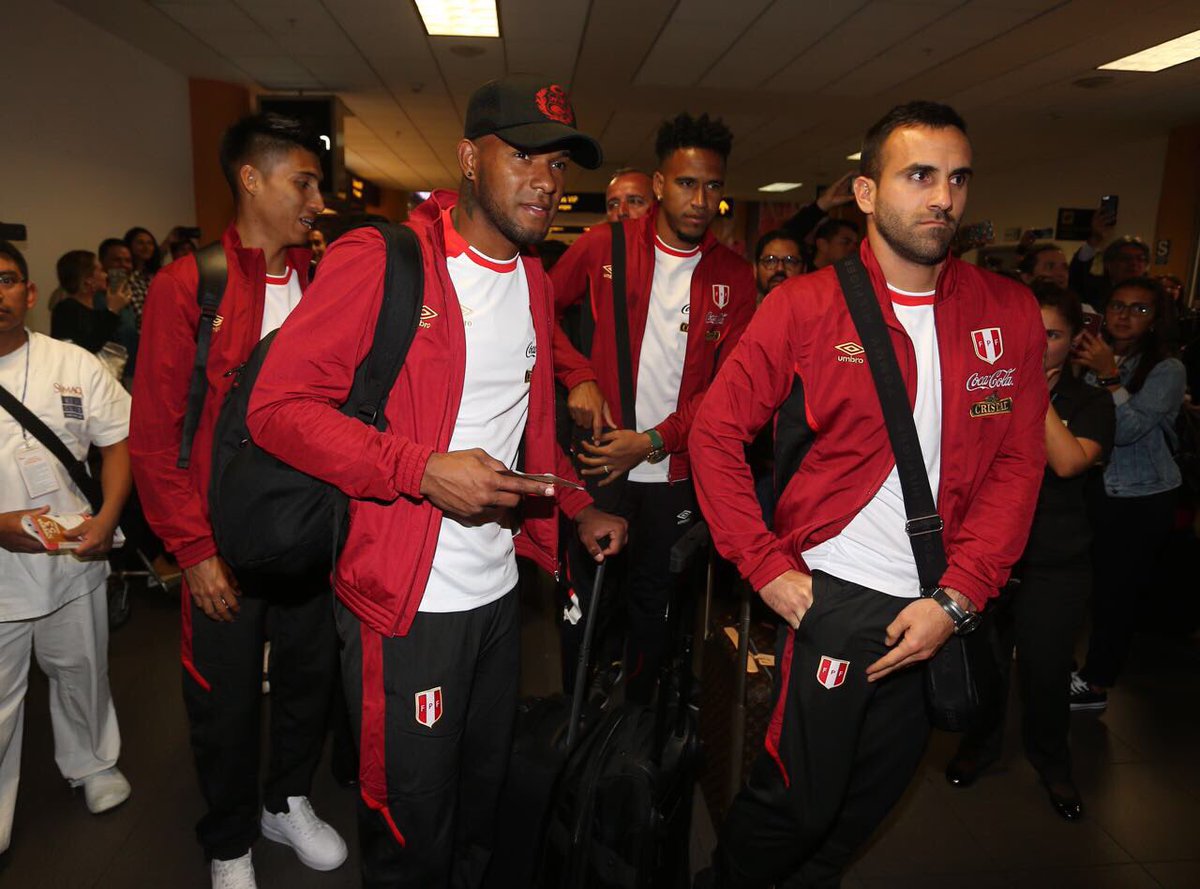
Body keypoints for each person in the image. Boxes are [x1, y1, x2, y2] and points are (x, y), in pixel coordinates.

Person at [245, 76, 627, 888]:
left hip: (497, 598)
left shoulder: (530, 276)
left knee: (480, 796)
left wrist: (575, 503)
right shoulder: (384, 262)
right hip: (404, 603)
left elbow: (524, 420)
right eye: (523, 155)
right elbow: (275, 408)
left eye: (559, 165)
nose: (546, 181)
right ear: (468, 157)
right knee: (411, 815)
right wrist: (417, 469)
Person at [689, 101, 1048, 888]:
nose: (943, 198)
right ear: (864, 191)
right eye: (919, 175)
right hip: (835, 597)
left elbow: (1018, 467)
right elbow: (712, 434)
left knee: (871, 797)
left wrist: (958, 600)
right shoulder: (805, 305)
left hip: (936, 603)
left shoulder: (1007, 312)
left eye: (957, 178)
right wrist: (765, 569)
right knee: (797, 803)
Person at [129, 113, 343, 889]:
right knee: (223, 704)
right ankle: (227, 837)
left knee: (306, 680)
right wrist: (193, 550)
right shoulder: (194, 283)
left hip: (310, 530)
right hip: (220, 541)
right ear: (251, 180)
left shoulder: (324, 285)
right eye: (304, 183)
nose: (318, 200)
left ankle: (286, 798)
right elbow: (155, 434)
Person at [550, 111, 756, 703]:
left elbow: (726, 393)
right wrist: (579, 375)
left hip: (677, 478)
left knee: (655, 623)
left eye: (713, 186)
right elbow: (537, 308)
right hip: (600, 471)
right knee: (585, 620)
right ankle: (577, 738)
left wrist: (657, 441)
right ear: (661, 184)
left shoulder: (733, 277)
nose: (701, 199)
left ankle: (637, 748)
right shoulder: (603, 246)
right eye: (687, 184)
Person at [944, 282, 1113, 821]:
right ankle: (979, 747)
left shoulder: (1089, 400)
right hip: (990, 553)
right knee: (985, 667)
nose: (1040, 345)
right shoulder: (986, 388)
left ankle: (1053, 764)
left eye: (1054, 335)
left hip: (1056, 559)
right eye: (1030, 334)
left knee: (1044, 674)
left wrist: (1025, 389)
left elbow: (1067, 463)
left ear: (1074, 339)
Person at [0, 240, 133, 854]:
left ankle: (93, 765)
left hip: (73, 554)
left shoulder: (72, 363)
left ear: (29, 293)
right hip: (1, 568)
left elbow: (116, 444)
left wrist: (107, 517)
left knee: (82, 670)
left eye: (5, 280)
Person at [1069, 276, 1186, 711]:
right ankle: (1071, 662)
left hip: (1142, 494)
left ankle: (1097, 683)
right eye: (1118, 306)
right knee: (1085, 584)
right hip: (1093, 486)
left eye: (1139, 309)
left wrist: (1109, 376)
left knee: (1117, 592)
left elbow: (1131, 429)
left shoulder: (1167, 369)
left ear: (1156, 320)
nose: (1124, 315)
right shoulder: (1093, 353)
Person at [49, 250, 133, 357]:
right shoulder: (66, 309)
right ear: (87, 280)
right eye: (101, 270)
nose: (106, 275)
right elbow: (89, 346)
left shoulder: (97, 308)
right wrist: (112, 310)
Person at [1069, 206, 1149, 312]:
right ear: (1108, 263)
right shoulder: (1093, 289)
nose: (1133, 263)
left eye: (1140, 259)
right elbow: (1077, 272)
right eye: (1125, 259)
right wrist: (1095, 239)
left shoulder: (1153, 294)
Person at [123, 226, 162, 332]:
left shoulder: (156, 276)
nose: (146, 247)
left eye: (150, 243)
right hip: (140, 334)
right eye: (140, 243)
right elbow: (139, 315)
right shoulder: (127, 277)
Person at [754, 229, 803, 298]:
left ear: (804, 269)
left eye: (790, 261)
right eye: (770, 261)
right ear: (755, 269)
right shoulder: (746, 307)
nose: (780, 268)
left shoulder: (816, 308)